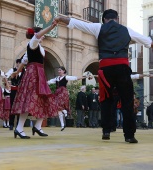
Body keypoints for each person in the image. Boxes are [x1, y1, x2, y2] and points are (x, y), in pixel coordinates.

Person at [53, 9, 153, 143]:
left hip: (105, 69)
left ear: (104, 19)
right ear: (116, 19)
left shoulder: (98, 27)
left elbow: (76, 23)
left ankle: (106, 131)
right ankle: (129, 135)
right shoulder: (127, 30)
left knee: (106, 99)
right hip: (122, 67)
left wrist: (60, 18)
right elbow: (148, 42)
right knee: (127, 102)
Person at [11, 23, 57, 139]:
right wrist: (51, 28)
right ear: (37, 34)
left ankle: (37, 126)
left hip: (39, 74)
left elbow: (24, 60)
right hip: (33, 73)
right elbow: (37, 37)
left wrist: (17, 72)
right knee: (29, 100)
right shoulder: (33, 42)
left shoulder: (36, 46)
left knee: (43, 99)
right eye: (42, 34)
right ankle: (19, 128)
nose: (44, 36)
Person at [48, 66, 86, 131]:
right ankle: (62, 125)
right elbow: (49, 82)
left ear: (63, 71)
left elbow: (75, 78)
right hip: (57, 92)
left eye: (60, 70)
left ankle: (65, 111)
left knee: (58, 105)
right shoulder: (57, 78)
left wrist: (85, 76)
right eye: (58, 70)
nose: (59, 71)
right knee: (58, 109)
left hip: (63, 92)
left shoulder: (66, 77)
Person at [5, 59, 25, 130]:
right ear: (16, 63)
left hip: (21, 91)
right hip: (13, 90)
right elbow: (6, 76)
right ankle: (11, 124)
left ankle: (18, 125)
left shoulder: (24, 71)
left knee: (20, 107)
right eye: (18, 63)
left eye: (21, 64)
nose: (19, 65)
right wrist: (7, 84)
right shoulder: (12, 70)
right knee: (12, 106)